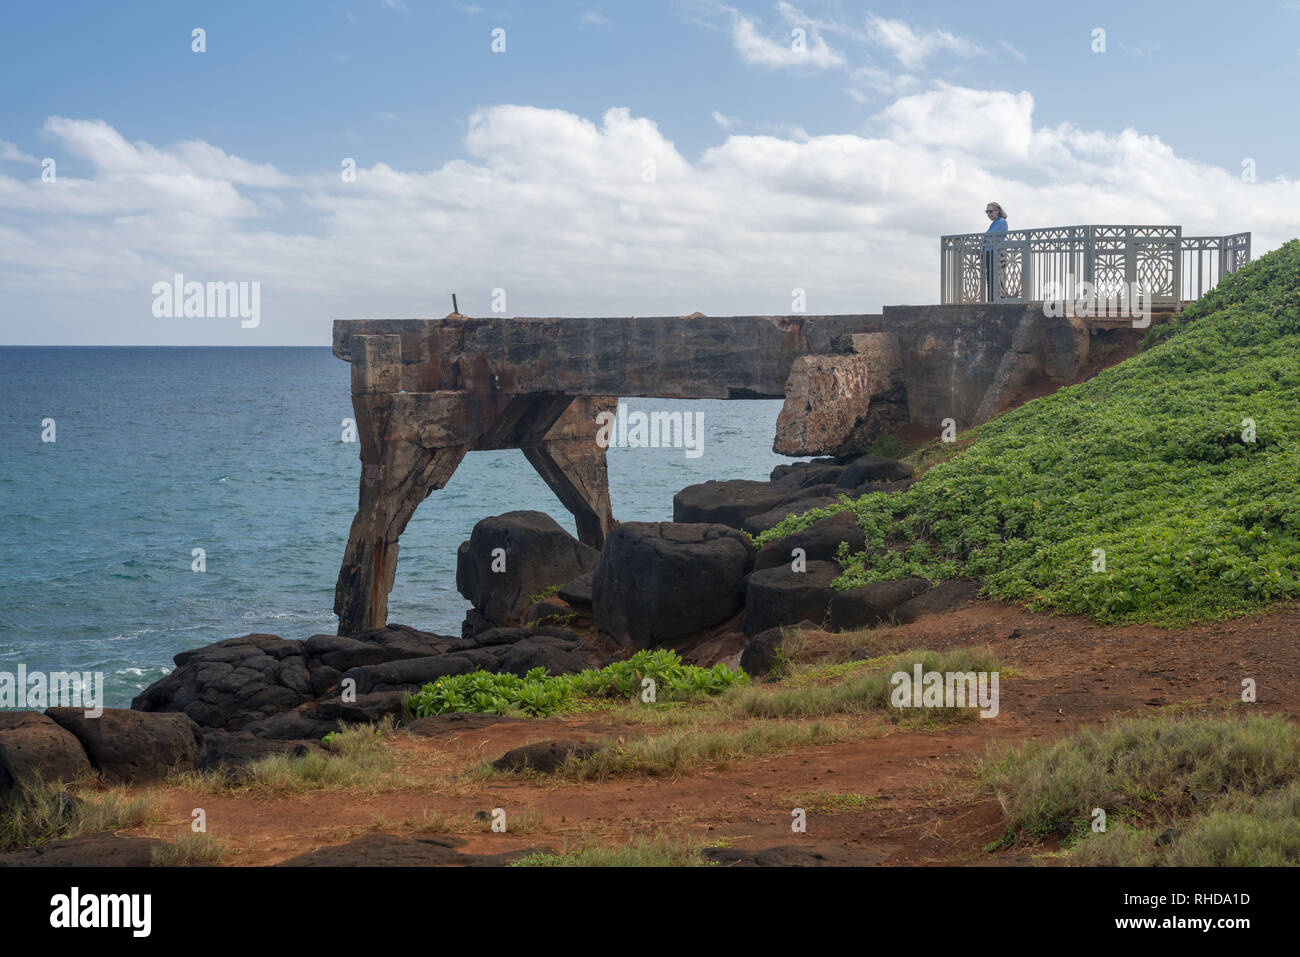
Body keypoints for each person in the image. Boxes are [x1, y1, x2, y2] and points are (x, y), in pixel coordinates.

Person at [983, 202, 1008, 301]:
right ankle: (991, 299)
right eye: (987, 211)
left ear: (998, 211)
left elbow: (992, 236)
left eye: (991, 211)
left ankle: (998, 299)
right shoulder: (994, 223)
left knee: (997, 278)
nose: (989, 214)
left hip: (997, 253)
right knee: (990, 277)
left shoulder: (1001, 222)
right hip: (990, 252)